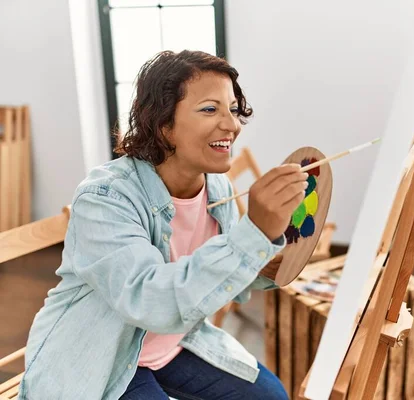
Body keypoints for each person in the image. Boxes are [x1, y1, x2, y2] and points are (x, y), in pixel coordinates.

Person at [19, 50, 307, 400]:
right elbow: (148, 300)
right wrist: (253, 235)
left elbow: (232, 281)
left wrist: (272, 241)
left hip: (175, 342)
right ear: (163, 125)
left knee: (271, 396)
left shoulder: (218, 187)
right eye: (209, 109)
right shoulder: (105, 197)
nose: (231, 125)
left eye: (232, 109)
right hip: (101, 354)